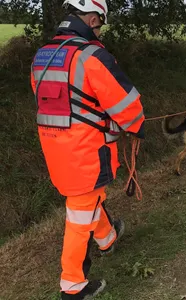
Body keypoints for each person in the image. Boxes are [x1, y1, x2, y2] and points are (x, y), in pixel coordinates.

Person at [30, 0, 145, 298]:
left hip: (54, 146)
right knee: (80, 214)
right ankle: (72, 285)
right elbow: (125, 103)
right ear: (93, 19)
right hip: (86, 149)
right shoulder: (92, 56)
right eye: (101, 23)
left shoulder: (42, 55)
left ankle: (107, 237)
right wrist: (136, 126)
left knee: (89, 197)